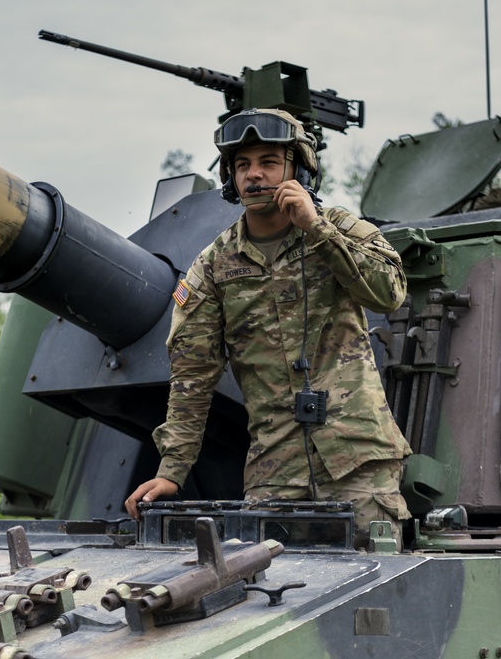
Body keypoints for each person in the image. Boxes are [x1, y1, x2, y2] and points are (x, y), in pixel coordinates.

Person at [124, 108, 413, 549]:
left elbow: (388, 293)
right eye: (243, 165)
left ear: (296, 169)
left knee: (375, 586)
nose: (254, 175)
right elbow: (192, 376)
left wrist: (315, 229)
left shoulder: (339, 229)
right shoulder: (213, 267)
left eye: (268, 163)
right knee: (272, 589)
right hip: (275, 467)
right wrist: (172, 471)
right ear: (231, 178)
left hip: (358, 456)